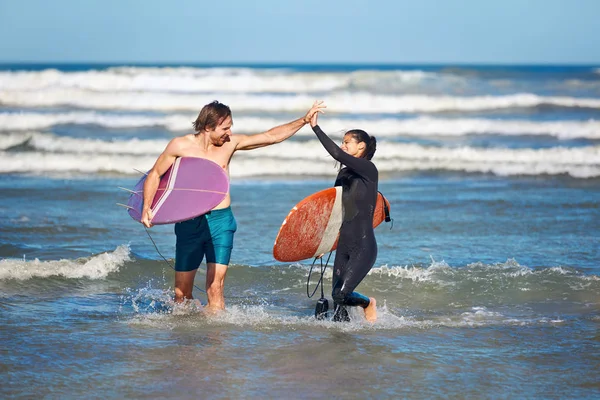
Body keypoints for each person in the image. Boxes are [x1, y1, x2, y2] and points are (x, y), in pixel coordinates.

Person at [142, 100, 325, 313]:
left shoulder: (229, 144)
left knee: (215, 287)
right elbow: (155, 174)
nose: (230, 132)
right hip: (189, 223)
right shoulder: (180, 146)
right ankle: (186, 339)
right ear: (208, 127)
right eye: (225, 127)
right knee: (181, 294)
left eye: (231, 126)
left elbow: (270, 137)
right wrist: (148, 206)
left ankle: (215, 342)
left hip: (221, 221)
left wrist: (303, 120)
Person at [309, 100, 379, 323]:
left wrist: (315, 127)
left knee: (341, 294)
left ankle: (368, 303)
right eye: (343, 142)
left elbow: (337, 155)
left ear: (361, 147)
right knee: (338, 308)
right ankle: (343, 353)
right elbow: (336, 211)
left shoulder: (368, 170)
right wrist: (326, 243)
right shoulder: (343, 176)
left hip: (363, 245)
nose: (344, 145)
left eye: (348, 142)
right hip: (344, 245)